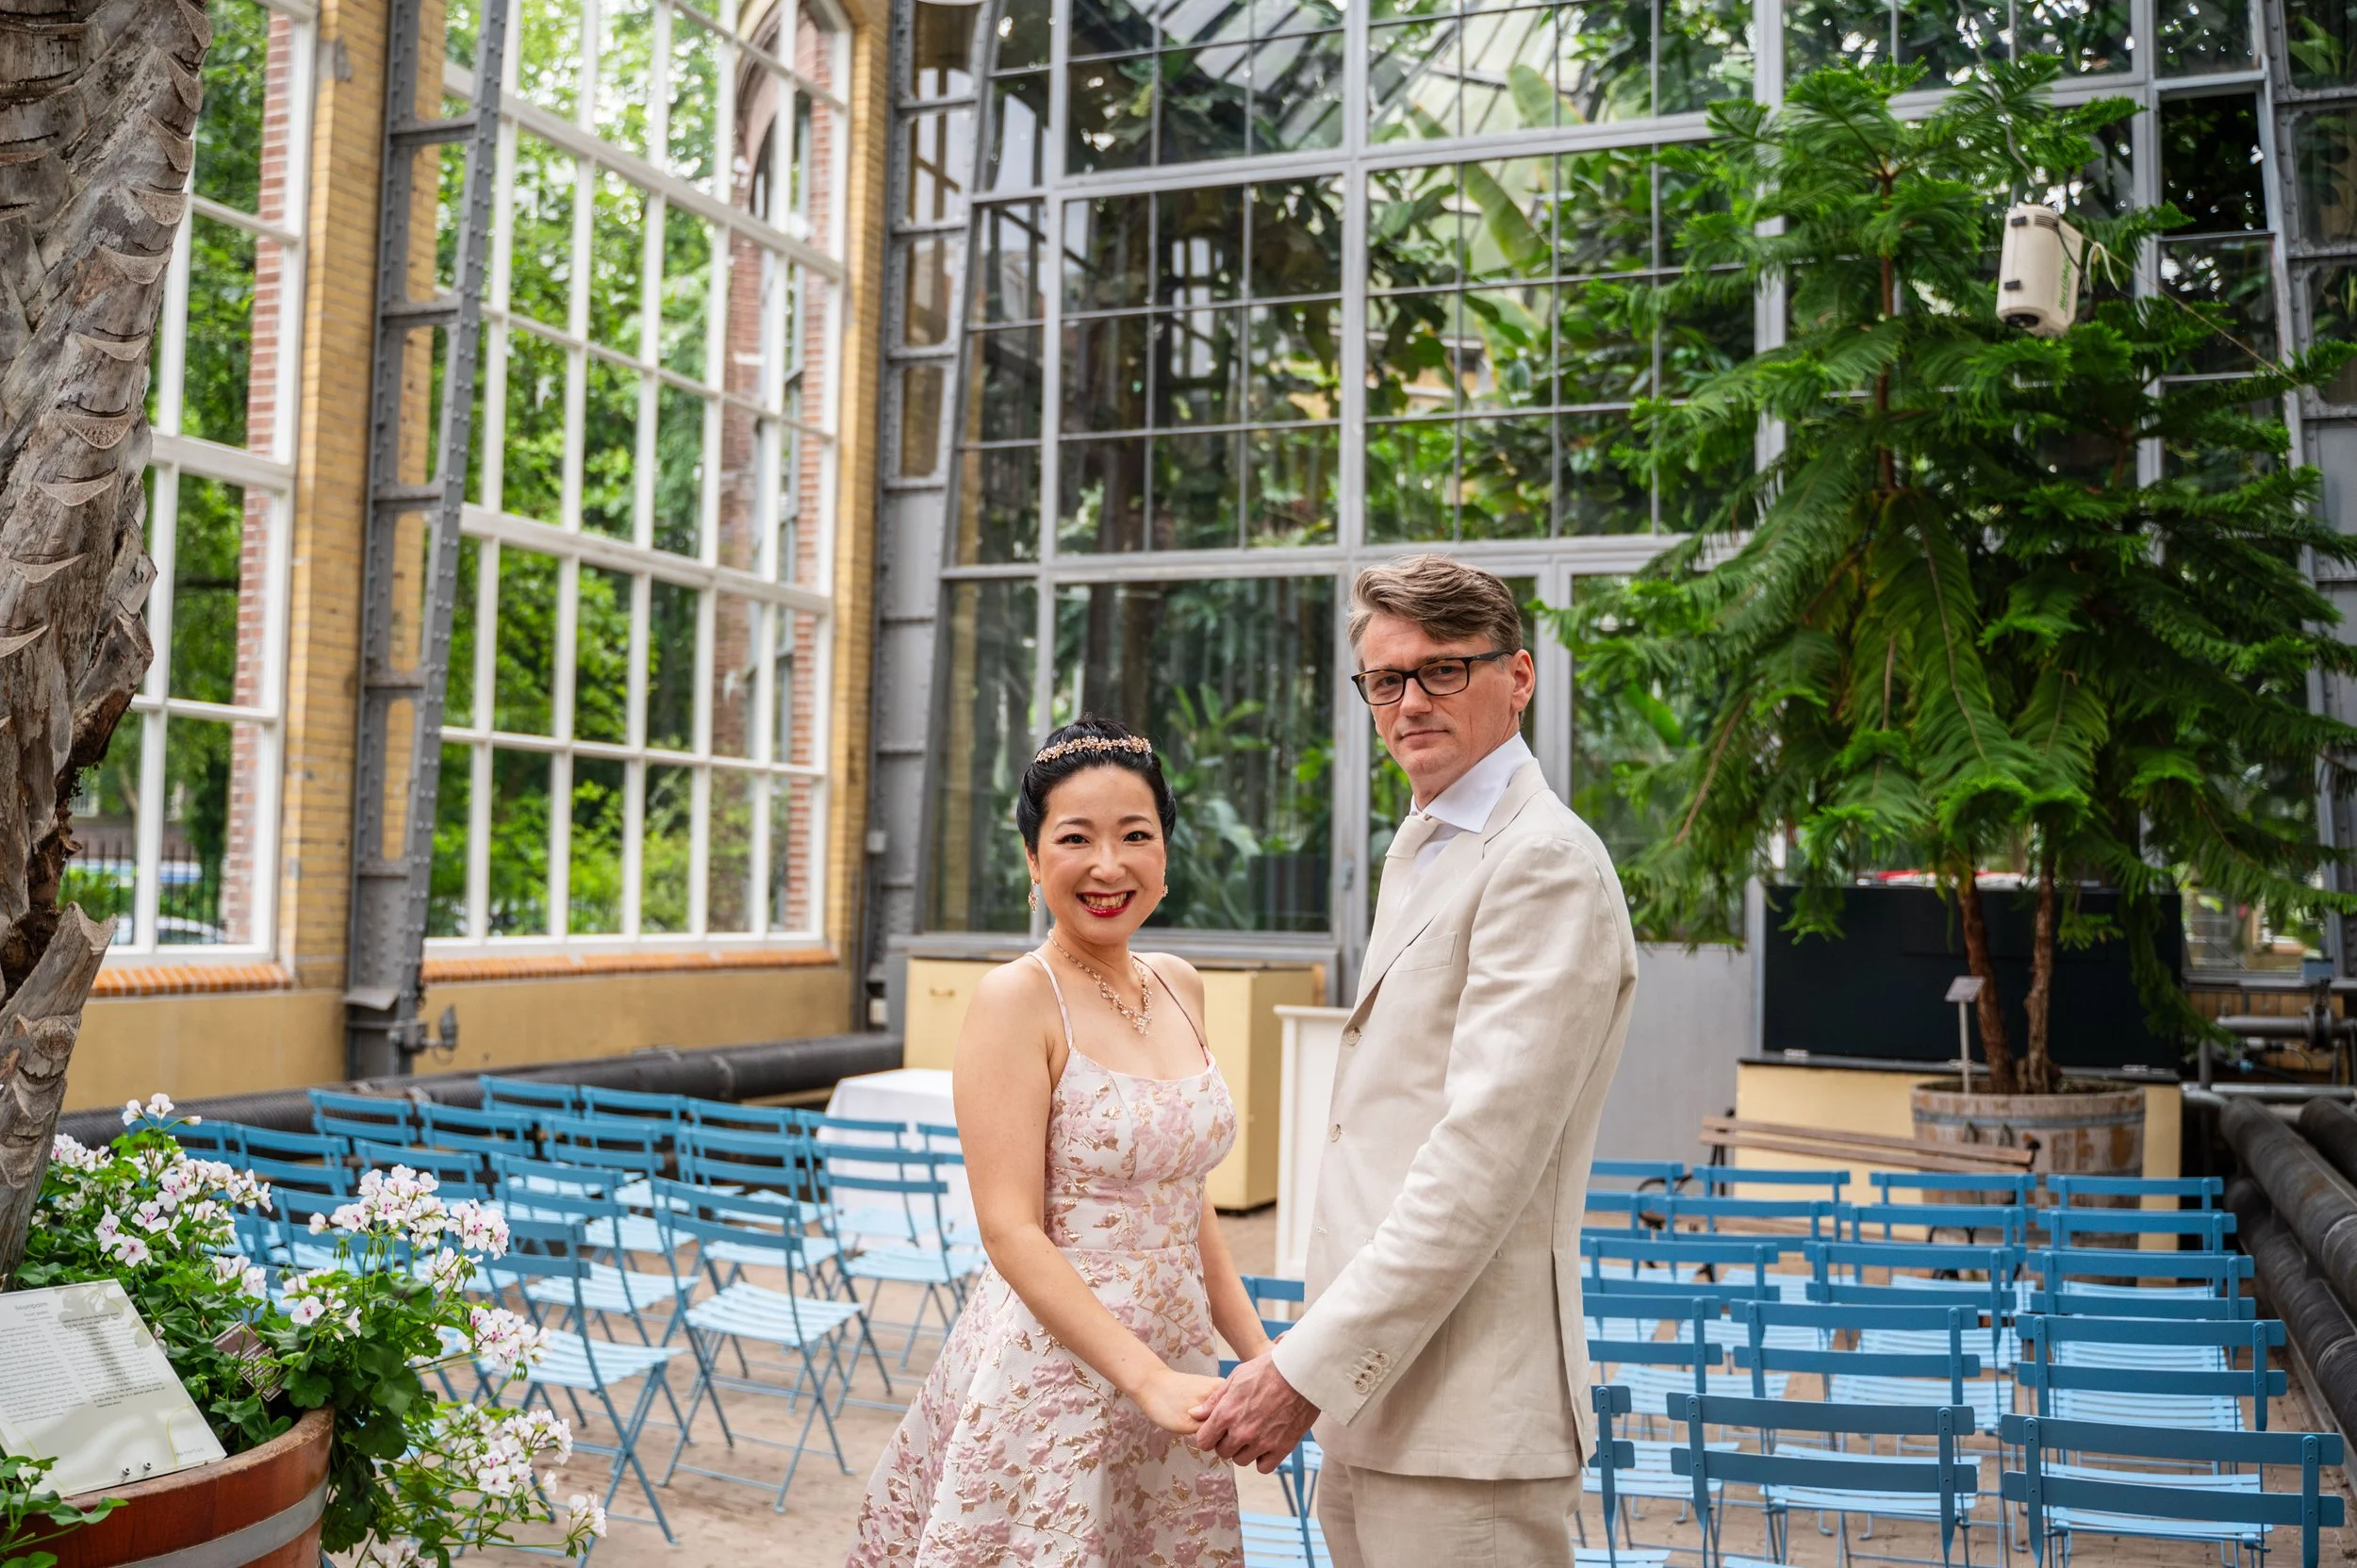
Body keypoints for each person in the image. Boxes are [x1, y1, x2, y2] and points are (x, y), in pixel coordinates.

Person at [1191, 554, 1640, 1568]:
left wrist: (1304, 1368)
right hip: (1381, 1399)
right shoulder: (1430, 841)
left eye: (1442, 669)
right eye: (1385, 680)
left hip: (1464, 1420)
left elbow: (1476, 1167)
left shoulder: (1542, 863)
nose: (1408, 702)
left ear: (1517, 676)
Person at [846, 715, 1261, 1567]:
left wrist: (1261, 1360)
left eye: (1135, 835)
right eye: (1076, 838)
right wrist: (1141, 1375)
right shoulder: (1013, 1000)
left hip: (1178, 1362)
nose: (1109, 865)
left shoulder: (1181, 984)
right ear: (1034, 861)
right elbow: (1009, 1230)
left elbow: (1190, 1208)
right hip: (1056, 1371)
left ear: (1166, 856)